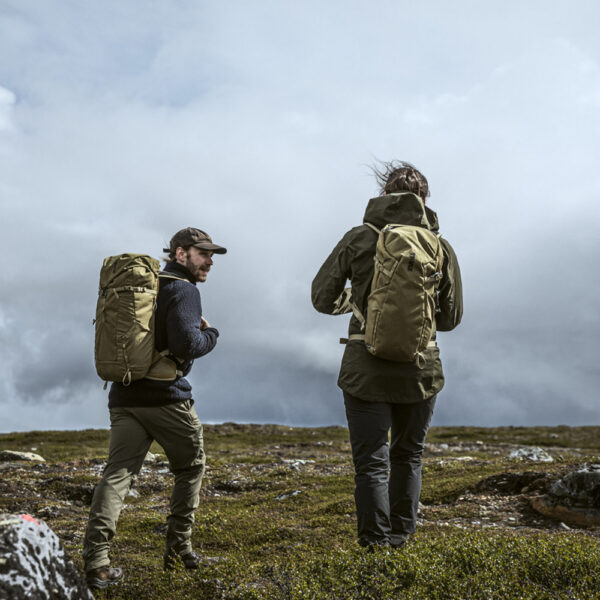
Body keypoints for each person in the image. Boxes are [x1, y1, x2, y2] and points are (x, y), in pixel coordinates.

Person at [311, 161, 462, 549]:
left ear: (384, 195)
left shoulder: (359, 237)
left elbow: (320, 298)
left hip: (365, 368)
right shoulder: (440, 247)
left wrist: (359, 307)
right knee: (408, 456)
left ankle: (374, 546)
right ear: (423, 200)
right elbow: (451, 319)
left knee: (371, 464)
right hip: (421, 369)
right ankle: (402, 539)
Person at [83, 227, 226, 589]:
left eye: (212, 255)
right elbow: (186, 341)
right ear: (180, 254)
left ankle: (97, 562)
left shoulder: (143, 289)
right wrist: (212, 335)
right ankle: (179, 551)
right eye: (202, 253)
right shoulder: (183, 290)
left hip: (125, 396)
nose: (209, 261)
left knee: (117, 475)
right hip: (166, 399)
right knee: (191, 467)